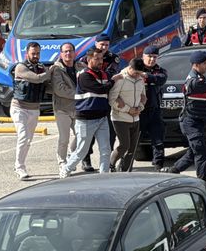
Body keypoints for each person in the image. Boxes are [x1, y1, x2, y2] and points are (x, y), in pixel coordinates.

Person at [164, 50, 206, 196]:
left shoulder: (199, 77)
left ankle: (173, 171)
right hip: (190, 122)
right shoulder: (194, 81)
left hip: (197, 121)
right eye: (204, 63)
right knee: (201, 153)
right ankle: (203, 187)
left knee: (192, 152)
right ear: (196, 65)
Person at [60, 48, 114, 178]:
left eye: (101, 58)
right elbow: (100, 89)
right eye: (97, 59)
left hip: (101, 117)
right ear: (89, 59)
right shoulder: (84, 75)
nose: (100, 61)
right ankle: (66, 169)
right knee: (82, 151)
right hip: (85, 119)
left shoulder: (104, 74)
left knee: (106, 150)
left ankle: (104, 176)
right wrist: (114, 81)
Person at [10, 41, 50, 180]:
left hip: (34, 109)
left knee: (28, 140)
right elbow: (37, 79)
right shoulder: (20, 67)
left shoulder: (41, 67)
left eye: (38, 53)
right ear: (27, 53)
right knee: (23, 136)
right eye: (33, 53)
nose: (36, 56)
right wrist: (52, 70)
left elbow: (47, 83)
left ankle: (19, 164)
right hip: (19, 108)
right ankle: (19, 167)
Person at [108, 58, 147, 172]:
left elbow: (143, 97)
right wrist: (128, 109)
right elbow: (112, 99)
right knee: (124, 145)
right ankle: (110, 164)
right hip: (120, 118)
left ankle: (125, 170)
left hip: (136, 117)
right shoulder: (121, 79)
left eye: (139, 74)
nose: (137, 76)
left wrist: (140, 108)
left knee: (133, 148)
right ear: (130, 68)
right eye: (135, 73)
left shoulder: (140, 79)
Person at [139, 46, 168, 171]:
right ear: (143, 57)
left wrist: (146, 76)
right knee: (134, 139)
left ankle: (158, 165)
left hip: (155, 109)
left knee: (158, 140)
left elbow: (160, 79)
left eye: (154, 57)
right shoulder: (136, 69)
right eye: (149, 56)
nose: (152, 59)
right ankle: (124, 165)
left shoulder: (160, 71)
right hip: (139, 110)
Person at [51, 43, 78, 171]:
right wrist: (80, 95)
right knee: (64, 139)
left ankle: (72, 156)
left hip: (78, 108)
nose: (68, 54)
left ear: (74, 52)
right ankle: (62, 161)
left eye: (70, 51)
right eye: (65, 51)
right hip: (62, 109)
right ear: (61, 54)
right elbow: (60, 89)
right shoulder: (56, 69)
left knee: (82, 136)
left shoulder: (80, 67)